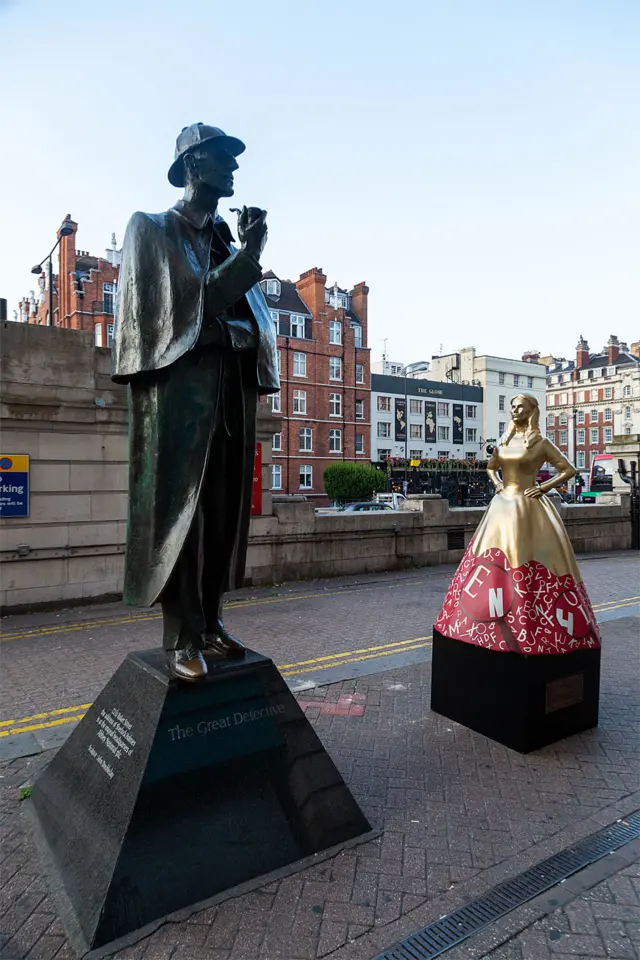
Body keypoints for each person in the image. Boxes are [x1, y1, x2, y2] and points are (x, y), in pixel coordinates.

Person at [112, 123, 280, 681]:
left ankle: (210, 624)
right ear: (191, 167)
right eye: (220, 158)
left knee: (222, 518)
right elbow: (186, 311)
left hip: (231, 399)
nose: (233, 168)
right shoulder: (152, 229)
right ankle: (181, 635)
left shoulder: (225, 244)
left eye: (235, 159)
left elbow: (251, 328)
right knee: (185, 521)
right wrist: (247, 263)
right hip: (183, 404)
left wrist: (230, 323)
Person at [435, 394, 600, 654]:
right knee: (492, 559)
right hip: (502, 506)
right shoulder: (504, 440)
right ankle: (487, 619)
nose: (514, 410)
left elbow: (569, 470)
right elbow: (491, 467)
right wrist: (498, 484)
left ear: (531, 410)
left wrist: (543, 487)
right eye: (512, 407)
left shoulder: (540, 443)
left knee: (527, 558)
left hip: (528, 505)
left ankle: (532, 618)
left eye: (519, 406)